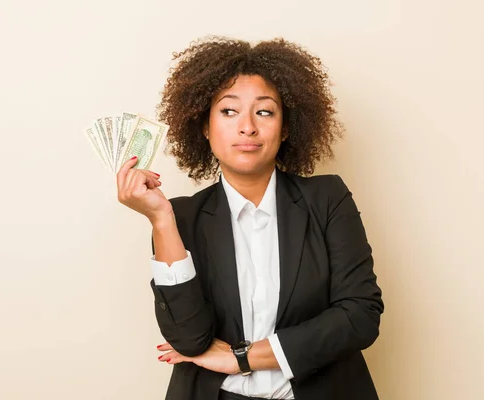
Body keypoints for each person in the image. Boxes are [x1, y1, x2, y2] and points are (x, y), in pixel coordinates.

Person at [116, 36, 384, 400]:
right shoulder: (182, 216)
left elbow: (360, 316)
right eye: (228, 111)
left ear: (285, 127)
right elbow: (188, 338)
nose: (247, 127)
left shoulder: (327, 198)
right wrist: (162, 220)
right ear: (206, 127)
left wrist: (241, 358)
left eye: (264, 111)